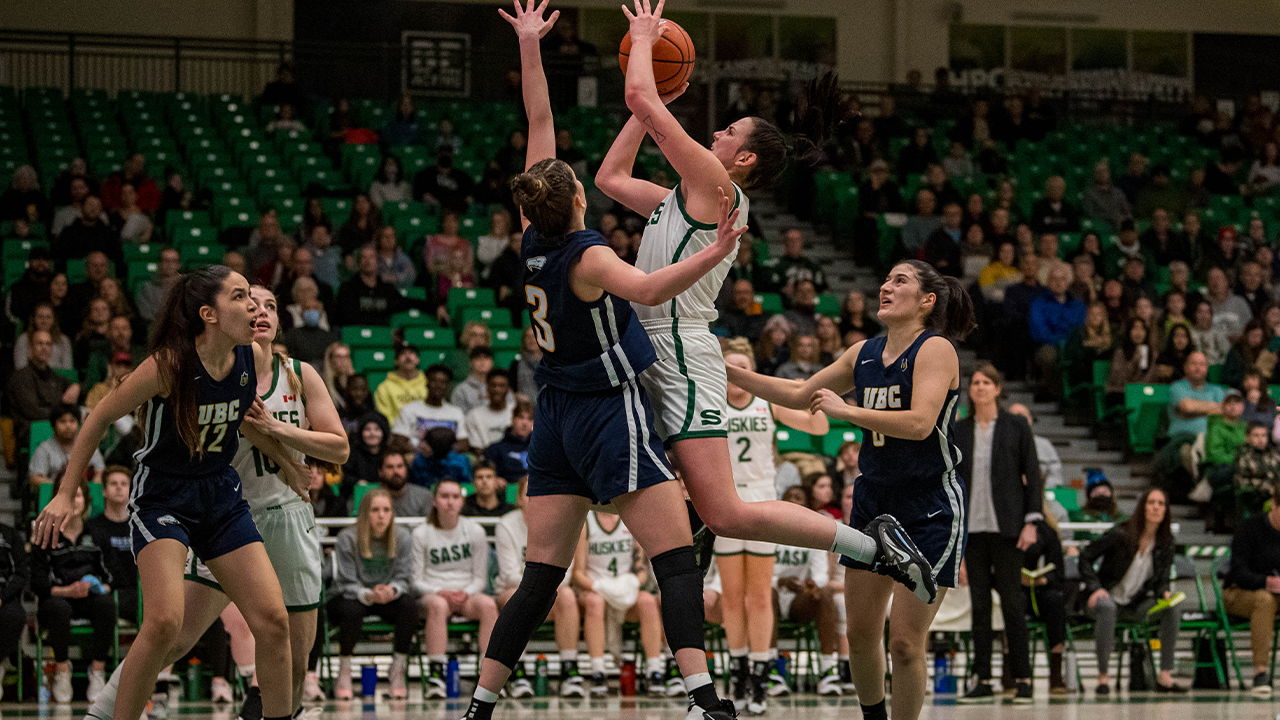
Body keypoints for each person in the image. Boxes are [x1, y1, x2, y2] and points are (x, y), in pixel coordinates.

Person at [460, 6, 749, 719]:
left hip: (551, 415)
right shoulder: (588, 254)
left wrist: (530, 47)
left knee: (538, 578)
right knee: (677, 558)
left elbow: (538, 123)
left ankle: (479, 706)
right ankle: (706, 701)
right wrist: (714, 255)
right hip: (606, 411)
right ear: (580, 198)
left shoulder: (533, 238)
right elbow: (650, 287)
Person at [597, 0, 922, 614]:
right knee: (663, 496)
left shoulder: (720, 190)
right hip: (649, 345)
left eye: (728, 132)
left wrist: (644, 46)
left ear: (742, 159)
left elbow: (639, 92)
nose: (715, 133)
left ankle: (868, 542)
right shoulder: (682, 198)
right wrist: (650, 105)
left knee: (729, 512)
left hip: (679, 352)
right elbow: (611, 178)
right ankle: (691, 528)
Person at [33, 265, 302, 720]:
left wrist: (288, 463)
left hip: (220, 494)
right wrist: (65, 491)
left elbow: (243, 421)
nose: (254, 306)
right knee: (162, 623)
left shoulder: (253, 358)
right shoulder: (168, 365)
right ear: (208, 314)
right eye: (240, 297)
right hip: (163, 496)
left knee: (274, 623)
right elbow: (97, 418)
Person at [82, 284, 349, 720]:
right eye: (251, 302)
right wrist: (283, 451)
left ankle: (272, 711)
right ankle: (105, 709)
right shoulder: (220, 367)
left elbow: (338, 449)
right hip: (227, 516)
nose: (260, 311)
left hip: (285, 516)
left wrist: (284, 442)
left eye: (271, 305)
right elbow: (243, 427)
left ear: (279, 321)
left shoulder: (298, 374)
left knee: (294, 655)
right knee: (176, 636)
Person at [727, 259, 974, 720]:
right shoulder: (862, 353)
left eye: (899, 280)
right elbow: (802, 393)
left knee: (903, 642)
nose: (885, 286)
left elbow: (920, 424)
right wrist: (732, 375)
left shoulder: (935, 349)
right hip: (874, 500)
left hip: (930, 505)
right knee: (859, 633)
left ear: (926, 300)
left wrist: (849, 412)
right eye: (885, 277)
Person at [718, 342, 828, 711]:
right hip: (726, 504)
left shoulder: (767, 402)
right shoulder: (711, 403)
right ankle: (738, 670)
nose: (735, 375)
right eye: (729, 368)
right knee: (732, 596)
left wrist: (810, 392)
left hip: (763, 504)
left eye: (741, 368)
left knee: (759, 595)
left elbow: (820, 425)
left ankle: (761, 675)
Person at [954, 364, 1039, 703]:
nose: (979, 387)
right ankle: (983, 678)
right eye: (975, 382)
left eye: (986, 382)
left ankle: (1023, 678)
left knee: (1014, 605)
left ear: (998, 388)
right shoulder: (959, 430)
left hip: (1008, 529)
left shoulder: (1015, 426)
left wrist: (1031, 521)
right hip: (972, 530)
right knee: (979, 606)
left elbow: (1032, 473)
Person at [1079, 488, 1186, 694]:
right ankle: (1103, 677)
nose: (1156, 507)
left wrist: (1165, 592)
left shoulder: (1166, 543)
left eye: (1161, 504)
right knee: (1108, 607)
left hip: (1135, 604)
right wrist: (1095, 588)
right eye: (1151, 502)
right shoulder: (1121, 533)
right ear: (1142, 507)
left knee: (1173, 606)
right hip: (1104, 599)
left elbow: (1161, 580)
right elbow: (1085, 556)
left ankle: (1165, 675)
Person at [493, 477, 584, 698]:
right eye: (528, 494)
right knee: (515, 598)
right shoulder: (506, 524)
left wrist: (541, 589)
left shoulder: (560, 523)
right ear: (519, 499)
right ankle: (518, 672)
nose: (534, 499)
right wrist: (537, 588)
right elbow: (508, 575)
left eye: (539, 492)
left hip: (549, 592)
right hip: (513, 589)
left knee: (568, 595)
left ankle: (569, 670)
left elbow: (567, 572)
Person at [32, 476, 117, 703]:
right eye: (67, 497)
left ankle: (97, 671)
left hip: (90, 597)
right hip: (58, 597)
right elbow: (38, 583)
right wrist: (67, 590)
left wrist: (98, 586)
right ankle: (62, 670)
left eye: (77, 496)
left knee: (107, 604)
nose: (72, 502)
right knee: (57, 609)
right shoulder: (44, 535)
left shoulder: (98, 533)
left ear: (86, 500)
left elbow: (111, 577)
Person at [328, 488, 418, 699]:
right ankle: (344, 670)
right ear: (364, 514)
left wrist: (391, 590)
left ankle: (397, 669)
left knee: (410, 606)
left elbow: (405, 578)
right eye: (375, 510)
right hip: (351, 594)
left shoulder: (402, 537)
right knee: (352, 610)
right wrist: (368, 594)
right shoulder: (347, 537)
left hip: (386, 595)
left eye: (386, 510)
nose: (381, 515)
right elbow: (344, 581)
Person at [412, 478, 495, 698]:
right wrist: (441, 591)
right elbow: (415, 580)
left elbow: (480, 578)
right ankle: (436, 677)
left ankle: (488, 678)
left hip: (466, 593)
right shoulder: (421, 533)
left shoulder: (475, 531)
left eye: (455, 497)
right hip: (432, 593)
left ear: (462, 501)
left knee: (488, 605)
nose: (450, 502)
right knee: (438, 605)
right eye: (444, 496)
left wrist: (465, 593)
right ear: (434, 501)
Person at [572, 511, 670, 697]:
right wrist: (599, 586)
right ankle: (598, 672)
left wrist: (631, 583)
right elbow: (578, 574)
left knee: (648, 602)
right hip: (595, 589)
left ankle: (654, 671)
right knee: (595, 602)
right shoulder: (586, 522)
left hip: (624, 589)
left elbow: (642, 570)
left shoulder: (631, 518)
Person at [87, 467, 139, 623]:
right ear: (104, 491)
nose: (119, 487)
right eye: (113, 483)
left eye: (124, 484)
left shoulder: (140, 526)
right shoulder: (92, 527)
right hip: (107, 592)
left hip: (138, 591)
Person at [391, 363, 468, 449]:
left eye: (443, 382)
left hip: (448, 459)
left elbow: (463, 443)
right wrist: (421, 453)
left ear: (448, 386)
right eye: (434, 381)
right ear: (426, 383)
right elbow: (399, 440)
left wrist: (443, 454)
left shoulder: (456, 412)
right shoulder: (409, 410)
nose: (438, 386)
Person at [29, 403, 106, 489]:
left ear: (79, 424)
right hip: (54, 495)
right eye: (62, 421)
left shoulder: (89, 446)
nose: (68, 426)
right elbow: (35, 478)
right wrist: (62, 488)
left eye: (72, 421)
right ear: (53, 425)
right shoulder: (44, 449)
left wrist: (91, 489)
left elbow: (100, 472)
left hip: (85, 496)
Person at [465, 369, 518, 452]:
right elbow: (477, 448)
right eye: (493, 385)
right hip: (486, 458)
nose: (497, 390)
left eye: (502, 386)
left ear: (508, 389)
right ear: (487, 388)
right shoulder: (474, 415)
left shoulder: (517, 412)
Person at [374, 345, 428, 425]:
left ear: (418, 360)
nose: (408, 356)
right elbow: (385, 417)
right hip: (397, 433)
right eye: (403, 353)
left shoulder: (428, 384)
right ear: (396, 361)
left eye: (411, 353)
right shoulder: (384, 387)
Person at [486, 401, 533, 484]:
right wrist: (495, 480)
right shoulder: (495, 449)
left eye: (529, 419)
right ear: (512, 419)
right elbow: (487, 475)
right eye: (521, 417)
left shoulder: (541, 450)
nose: (525, 423)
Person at [377, 450, 431, 518]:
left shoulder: (424, 496)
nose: (396, 471)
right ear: (380, 472)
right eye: (390, 467)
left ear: (406, 469)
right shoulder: (372, 499)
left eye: (400, 466)